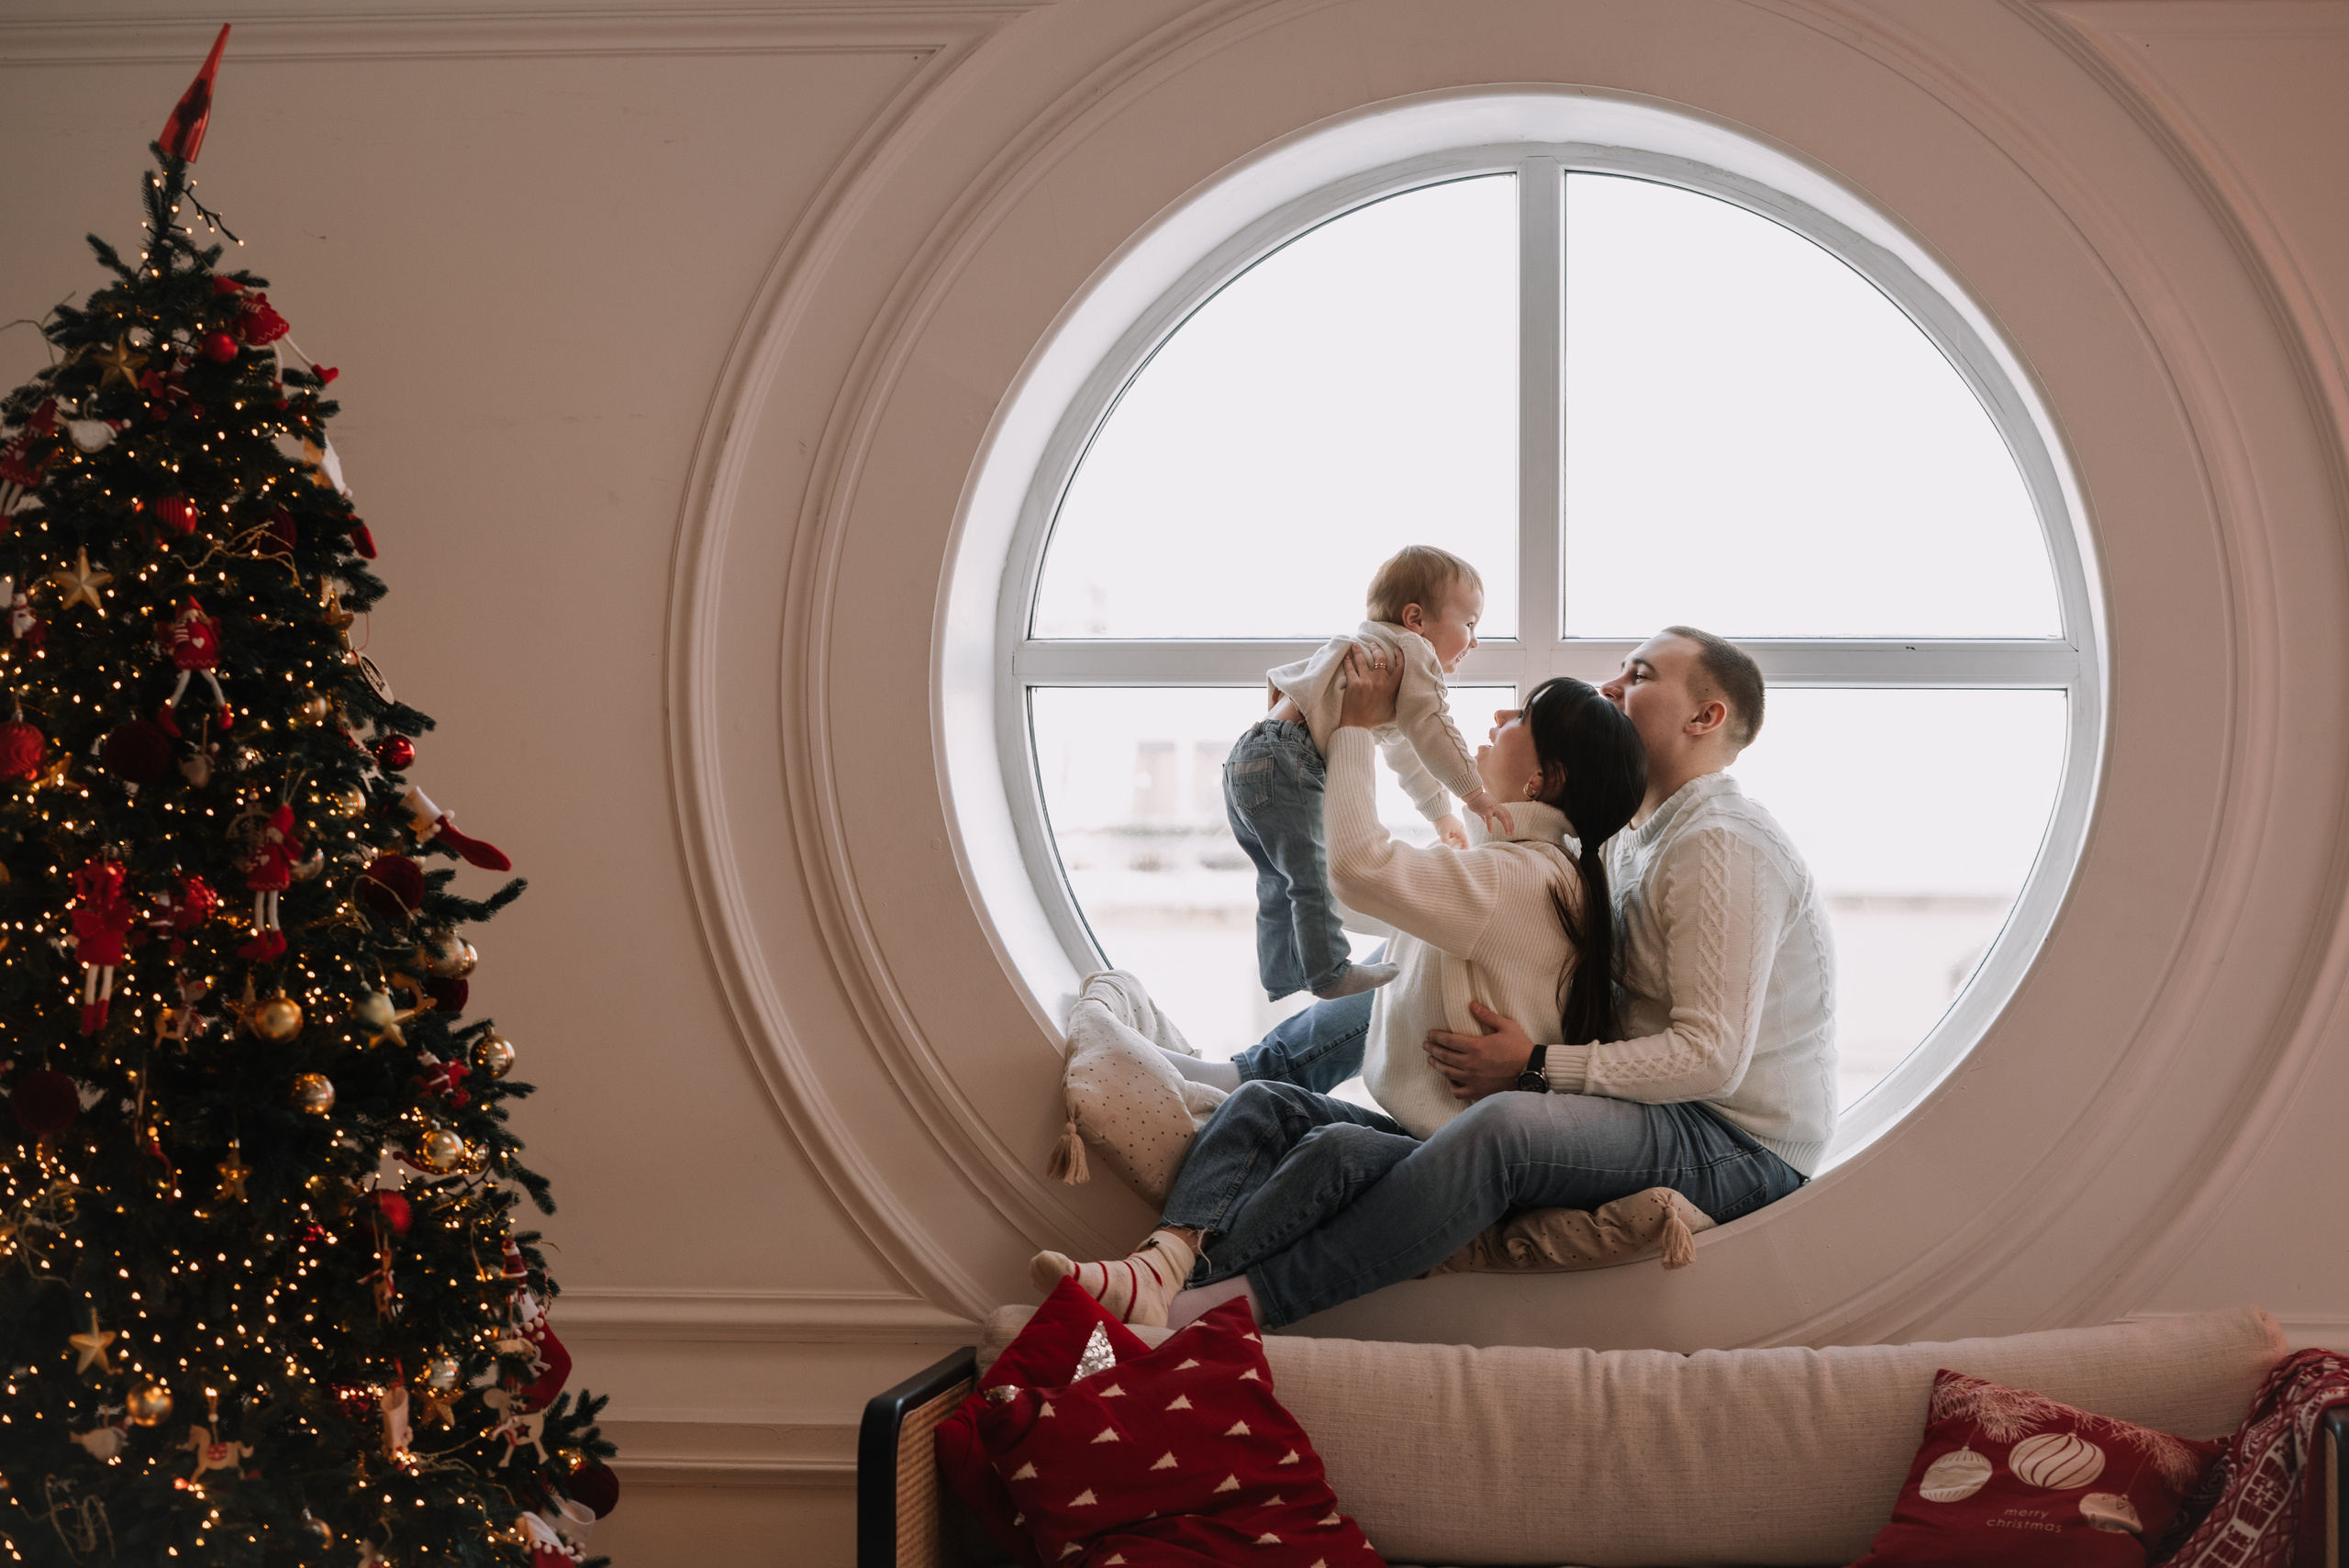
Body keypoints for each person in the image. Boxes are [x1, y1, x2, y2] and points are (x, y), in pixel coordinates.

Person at [1043, 626, 1835, 1330]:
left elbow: (1711, 1057)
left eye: (1639, 674)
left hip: (1733, 1134)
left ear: (1707, 717)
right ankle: (1238, 1090)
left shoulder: (1719, 843)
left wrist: (1535, 1066)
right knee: (1424, 966)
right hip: (1648, 1093)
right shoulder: (1622, 843)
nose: (1610, 686)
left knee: (1503, 1129)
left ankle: (1217, 1307)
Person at [1228, 545, 1511, 1004]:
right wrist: (1475, 795)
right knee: (1313, 875)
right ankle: (1330, 971)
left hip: (1248, 754)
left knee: (1277, 878)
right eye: (1471, 624)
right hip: (1286, 759)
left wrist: (1440, 815)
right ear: (1416, 619)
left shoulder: (1361, 647)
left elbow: (1405, 751)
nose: (1475, 641)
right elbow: (1434, 728)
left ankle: (1284, 972)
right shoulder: (1411, 651)